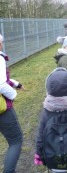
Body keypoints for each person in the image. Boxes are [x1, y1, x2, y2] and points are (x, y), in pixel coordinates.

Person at [0, 34, 24, 173]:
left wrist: (16, 84)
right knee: (16, 140)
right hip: (2, 108)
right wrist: (13, 95)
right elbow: (1, 83)